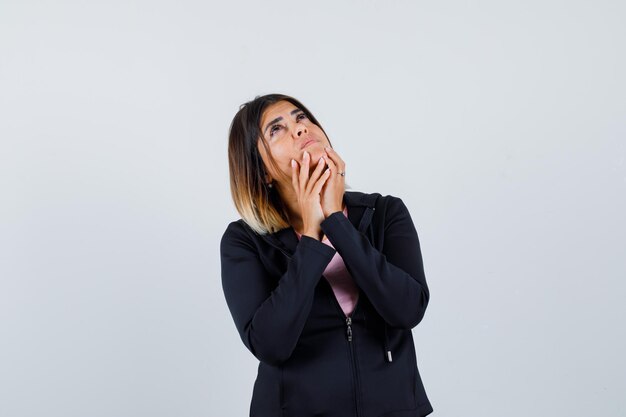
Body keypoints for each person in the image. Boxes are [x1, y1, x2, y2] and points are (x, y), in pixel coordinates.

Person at [220, 93, 434, 417]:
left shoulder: (385, 212)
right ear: (262, 172)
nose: (299, 129)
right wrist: (310, 235)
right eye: (276, 130)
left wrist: (337, 221)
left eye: (301, 117)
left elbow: (407, 310)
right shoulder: (245, 241)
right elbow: (269, 344)